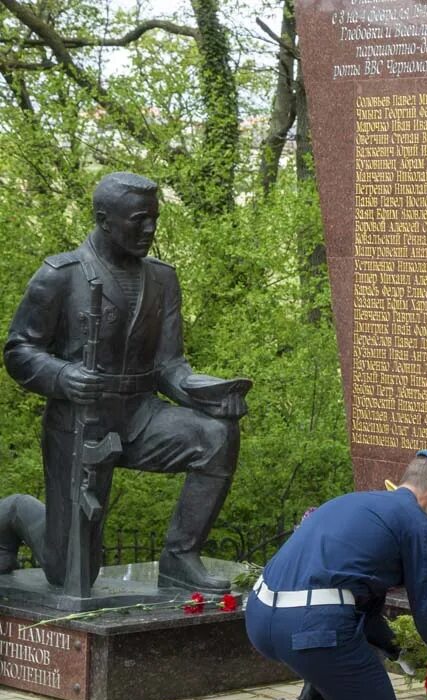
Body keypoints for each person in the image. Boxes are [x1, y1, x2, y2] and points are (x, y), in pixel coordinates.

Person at [2, 172, 248, 593]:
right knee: (70, 572)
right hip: (81, 422)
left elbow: (170, 366)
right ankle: (13, 513)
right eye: (139, 219)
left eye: (153, 218)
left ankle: (179, 557)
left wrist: (208, 394)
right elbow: (18, 351)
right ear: (104, 219)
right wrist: (63, 375)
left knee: (216, 436)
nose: (150, 229)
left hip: (141, 416)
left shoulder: (162, 278)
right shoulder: (60, 275)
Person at [222, 450, 427, 700]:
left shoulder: (355, 503)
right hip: (310, 627)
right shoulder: (416, 524)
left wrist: (395, 648)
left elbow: (364, 605)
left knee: (349, 649)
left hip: (259, 617)